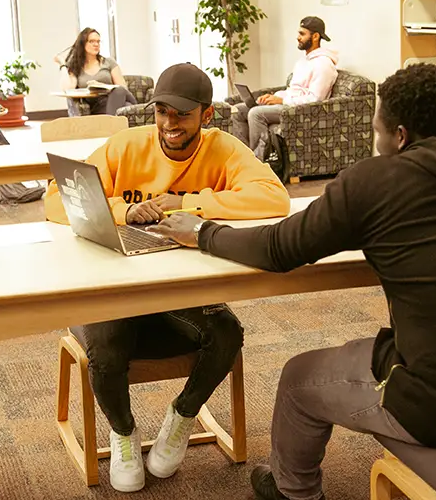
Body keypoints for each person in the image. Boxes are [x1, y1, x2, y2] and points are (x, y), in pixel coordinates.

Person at [151, 63, 436, 500]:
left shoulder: (375, 183)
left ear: (400, 136)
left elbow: (278, 249)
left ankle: (294, 492)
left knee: (297, 378)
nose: (376, 140)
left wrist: (201, 232)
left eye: (378, 131)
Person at [46, 63, 291, 493]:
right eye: (161, 112)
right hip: (115, 288)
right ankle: (123, 433)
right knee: (104, 348)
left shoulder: (223, 148)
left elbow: (275, 197)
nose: (169, 124)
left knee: (228, 333)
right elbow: (55, 197)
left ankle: (181, 416)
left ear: (207, 115)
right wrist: (122, 210)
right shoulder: (126, 146)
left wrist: (188, 203)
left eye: (181, 114)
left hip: (180, 292)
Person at [232, 16, 339, 157]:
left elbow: (315, 100)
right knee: (238, 110)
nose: (297, 37)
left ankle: (257, 163)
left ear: (315, 36)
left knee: (256, 113)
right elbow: (294, 90)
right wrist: (275, 96)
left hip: (300, 111)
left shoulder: (324, 64)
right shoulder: (303, 61)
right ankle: (243, 157)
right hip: (288, 103)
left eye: (302, 34)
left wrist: (282, 101)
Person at [58, 27, 137, 115]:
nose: (96, 44)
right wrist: (63, 65)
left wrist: (104, 87)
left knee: (119, 90)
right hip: (96, 106)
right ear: (82, 43)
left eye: (98, 41)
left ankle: (110, 122)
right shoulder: (77, 66)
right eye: (92, 41)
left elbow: (123, 88)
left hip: (114, 99)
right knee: (127, 106)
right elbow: (67, 89)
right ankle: (112, 121)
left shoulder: (109, 62)